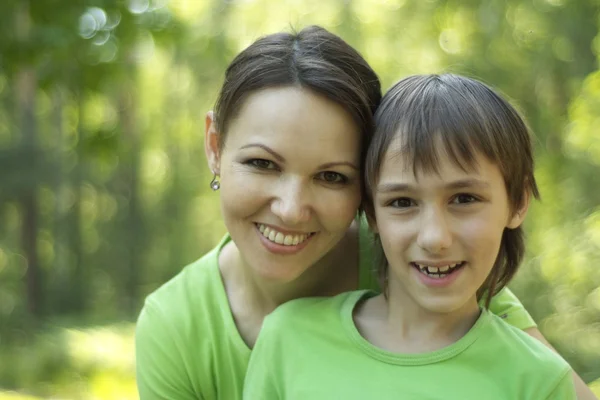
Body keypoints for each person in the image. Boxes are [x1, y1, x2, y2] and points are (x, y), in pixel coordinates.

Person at [135, 26, 593, 399]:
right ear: (215, 147)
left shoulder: (426, 271)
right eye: (261, 163)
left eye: (332, 176)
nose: (291, 210)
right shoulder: (177, 328)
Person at [243, 74, 577, 399]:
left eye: (464, 199)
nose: (434, 238)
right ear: (372, 214)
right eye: (402, 203)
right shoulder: (289, 339)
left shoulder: (539, 381)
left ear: (517, 203)